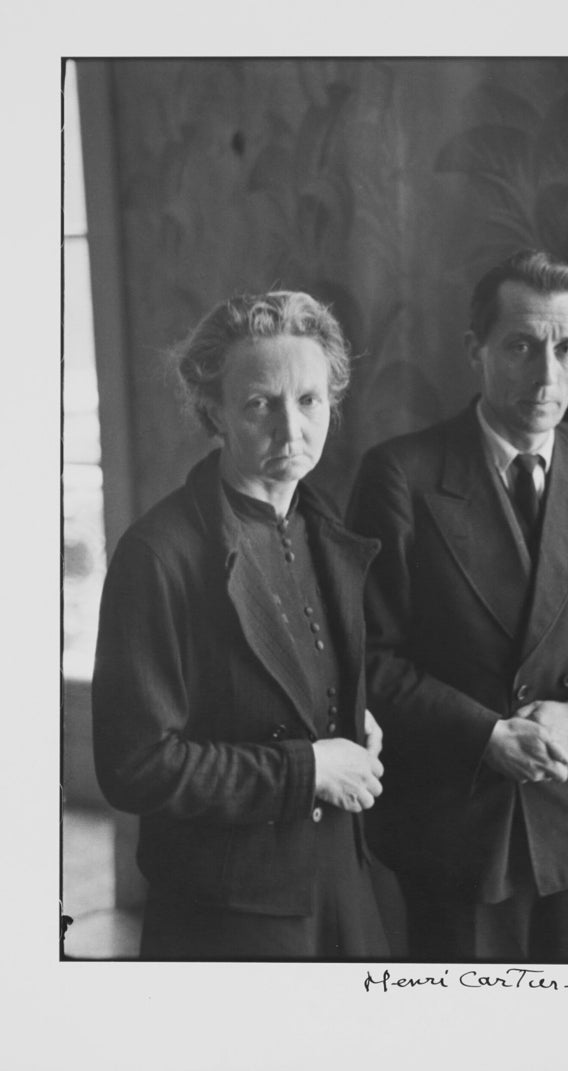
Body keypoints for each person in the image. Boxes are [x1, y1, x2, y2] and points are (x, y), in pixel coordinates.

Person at [348, 250, 568, 962]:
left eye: (567, 347)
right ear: (477, 350)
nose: (547, 376)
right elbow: (367, 657)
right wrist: (486, 735)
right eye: (522, 346)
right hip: (461, 823)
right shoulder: (402, 474)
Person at [92, 291, 388, 960]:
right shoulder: (159, 554)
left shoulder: (322, 528)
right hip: (229, 917)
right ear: (214, 411)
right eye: (261, 403)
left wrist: (351, 715)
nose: (291, 430)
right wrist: (306, 767)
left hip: (341, 887)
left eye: (309, 401)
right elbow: (136, 766)